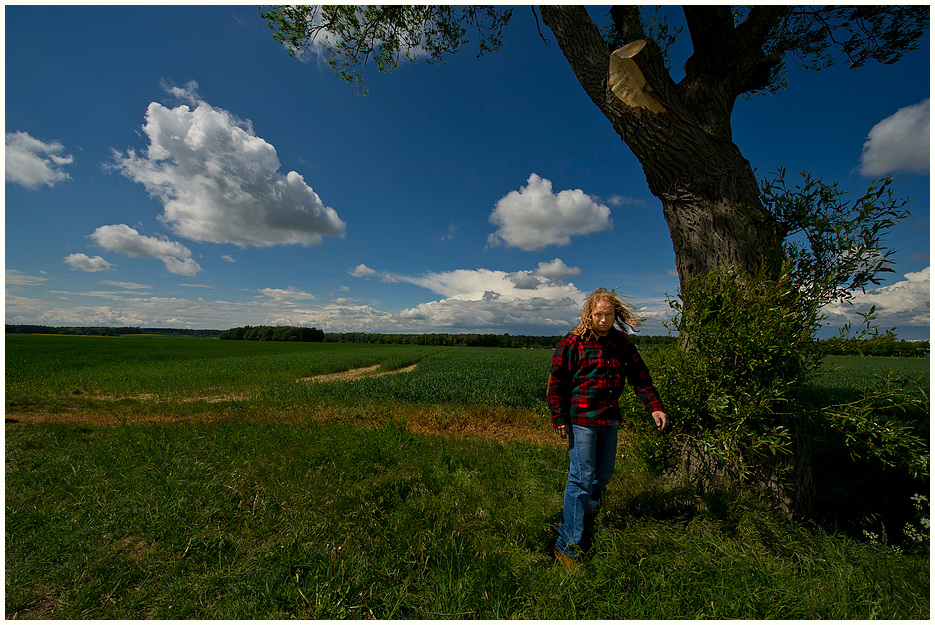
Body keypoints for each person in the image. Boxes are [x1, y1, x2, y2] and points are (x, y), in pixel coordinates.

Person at [547, 288, 667, 570]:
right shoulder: (573, 342)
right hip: (582, 421)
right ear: (590, 313)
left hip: (609, 419)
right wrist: (559, 418)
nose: (603, 319)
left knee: (602, 476)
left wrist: (655, 407)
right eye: (598, 314)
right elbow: (557, 382)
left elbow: (640, 376)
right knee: (580, 480)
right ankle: (568, 547)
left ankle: (587, 520)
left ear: (615, 316)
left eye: (608, 315)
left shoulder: (620, 342)